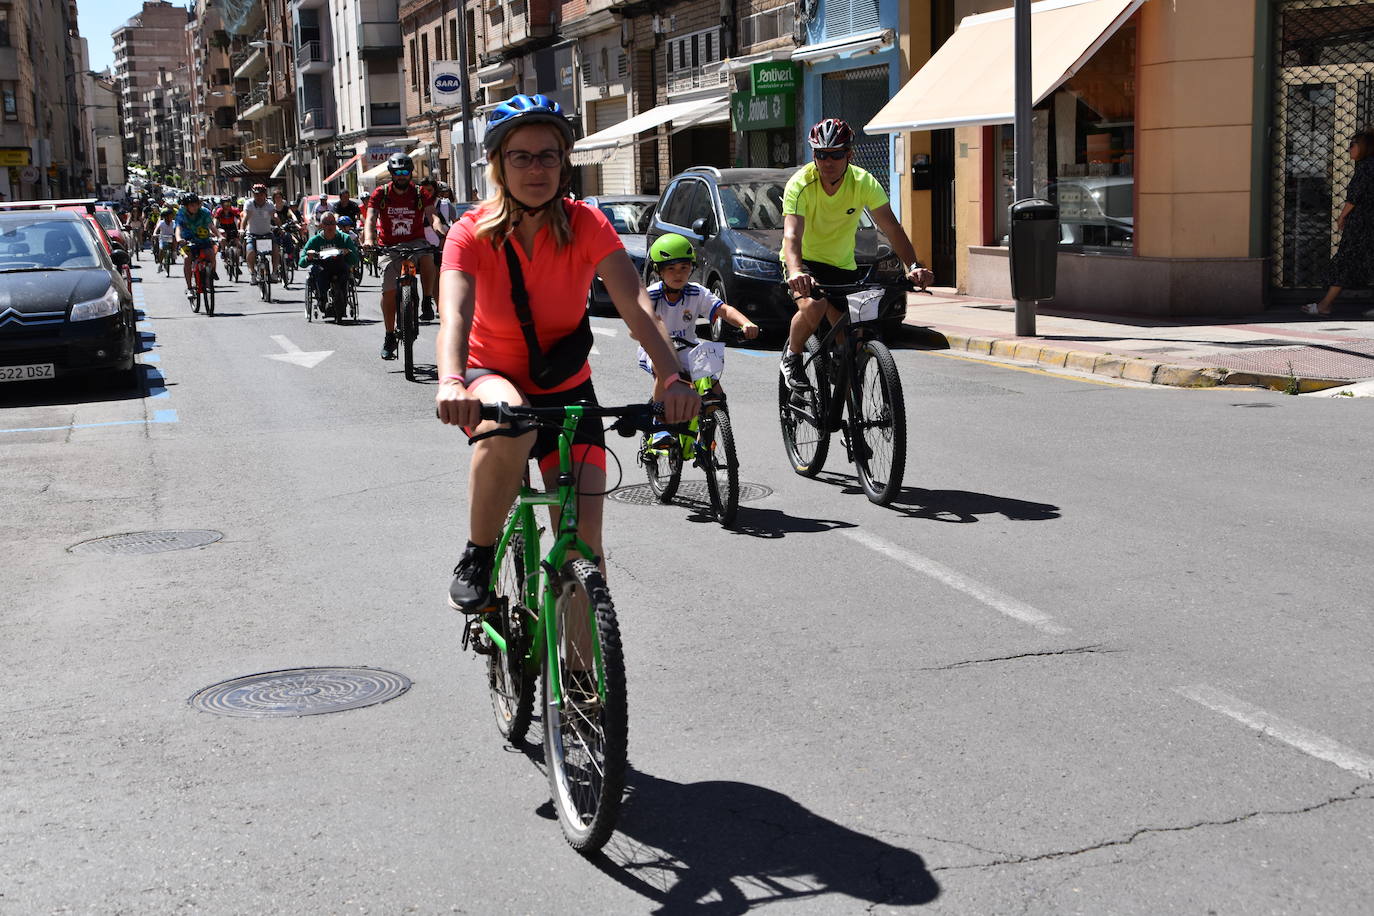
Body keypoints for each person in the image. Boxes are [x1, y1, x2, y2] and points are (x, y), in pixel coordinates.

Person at [434, 93, 699, 612]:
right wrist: (450, 381)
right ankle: (479, 554)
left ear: (564, 163)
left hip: (568, 387)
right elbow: (456, 315)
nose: (537, 169)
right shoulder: (469, 233)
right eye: (522, 157)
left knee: (584, 553)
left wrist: (672, 378)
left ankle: (582, 686)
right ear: (498, 165)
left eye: (548, 156)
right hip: (491, 380)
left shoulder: (586, 225)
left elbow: (638, 306)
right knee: (514, 420)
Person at [778, 118, 934, 391]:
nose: (828, 162)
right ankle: (792, 356)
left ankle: (854, 427)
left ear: (849, 154)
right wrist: (796, 272)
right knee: (813, 306)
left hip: (842, 265)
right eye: (821, 155)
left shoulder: (864, 182)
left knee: (853, 340)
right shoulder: (800, 183)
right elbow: (792, 235)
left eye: (836, 154)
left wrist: (913, 265)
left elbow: (892, 228)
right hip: (806, 263)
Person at [638, 232, 759, 445]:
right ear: (658, 271)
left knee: (715, 391)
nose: (678, 274)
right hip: (657, 348)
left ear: (691, 268)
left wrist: (745, 323)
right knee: (663, 372)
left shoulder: (696, 292)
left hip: (687, 348)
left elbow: (724, 309)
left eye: (684, 268)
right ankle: (658, 427)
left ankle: (710, 433)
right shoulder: (652, 295)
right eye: (671, 269)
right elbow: (640, 319)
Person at [363, 153, 441, 357]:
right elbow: (370, 219)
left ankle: (426, 300)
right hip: (389, 246)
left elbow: (433, 216)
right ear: (391, 173)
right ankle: (389, 336)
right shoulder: (381, 193)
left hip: (415, 242)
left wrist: (443, 231)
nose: (401, 176)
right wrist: (369, 239)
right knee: (388, 290)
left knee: (427, 256)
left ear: (410, 173)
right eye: (397, 173)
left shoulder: (419, 192)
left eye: (405, 172)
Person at [1302, 130, 1374, 318]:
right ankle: (1325, 303)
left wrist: (1342, 217)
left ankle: (1325, 304)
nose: (1349, 148)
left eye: (1353, 144)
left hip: (1362, 224)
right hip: (1366, 223)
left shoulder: (1366, 167)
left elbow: (1354, 197)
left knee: (1345, 260)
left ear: (1364, 147)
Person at [300, 211, 361, 317]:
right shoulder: (315, 241)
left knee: (346, 273)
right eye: (327, 223)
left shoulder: (344, 238)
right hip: (322, 268)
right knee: (318, 274)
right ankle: (322, 299)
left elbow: (354, 260)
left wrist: (348, 253)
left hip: (340, 267)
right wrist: (308, 257)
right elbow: (301, 262)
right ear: (322, 225)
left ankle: (343, 298)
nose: (330, 226)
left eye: (332, 223)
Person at [175, 193, 218, 298]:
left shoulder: (204, 212)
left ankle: (208, 279)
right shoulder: (181, 214)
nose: (194, 207)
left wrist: (220, 236)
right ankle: (189, 288)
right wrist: (179, 239)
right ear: (186, 206)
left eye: (196, 204)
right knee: (187, 258)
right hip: (187, 241)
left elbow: (211, 226)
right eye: (191, 205)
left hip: (203, 240)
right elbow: (178, 228)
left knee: (211, 254)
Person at [240, 183, 279, 279]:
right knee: (250, 251)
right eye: (256, 194)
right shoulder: (249, 203)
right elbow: (245, 217)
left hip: (267, 234)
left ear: (265, 195)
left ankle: (274, 272)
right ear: (253, 195)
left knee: (275, 249)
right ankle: (252, 273)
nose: (259, 197)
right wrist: (241, 229)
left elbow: (274, 216)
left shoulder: (269, 204)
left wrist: (280, 226)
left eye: (261, 194)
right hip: (252, 234)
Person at [212, 196, 242, 261]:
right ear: (222, 204)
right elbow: (215, 220)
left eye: (228, 204)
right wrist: (215, 228)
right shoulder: (219, 211)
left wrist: (240, 228)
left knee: (238, 243)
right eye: (225, 204)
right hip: (222, 226)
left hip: (232, 226)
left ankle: (238, 259)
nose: (227, 206)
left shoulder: (234, 210)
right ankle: (223, 250)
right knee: (223, 235)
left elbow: (239, 219)